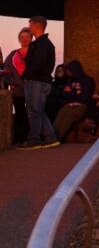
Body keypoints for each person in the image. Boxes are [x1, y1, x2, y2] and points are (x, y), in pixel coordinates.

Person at [18, 16, 59, 149]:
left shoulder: (41, 44)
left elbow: (37, 64)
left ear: (37, 26)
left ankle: (34, 140)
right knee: (39, 111)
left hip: (36, 82)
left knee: (33, 111)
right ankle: (50, 138)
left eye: (30, 26)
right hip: (43, 82)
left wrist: (25, 76)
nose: (29, 29)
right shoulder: (47, 44)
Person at [53, 61, 96, 141]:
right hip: (70, 103)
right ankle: (52, 135)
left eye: (69, 70)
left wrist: (72, 93)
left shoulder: (88, 80)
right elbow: (65, 94)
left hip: (83, 105)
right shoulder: (70, 80)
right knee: (62, 112)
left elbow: (86, 95)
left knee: (70, 115)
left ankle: (59, 137)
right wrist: (75, 93)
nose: (68, 72)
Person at [2, 27, 32, 143]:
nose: (24, 39)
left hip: (32, 89)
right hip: (18, 90)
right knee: (19, 114)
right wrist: (13, 82)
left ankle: (32, 138)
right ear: (19, 39)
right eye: (22, 37)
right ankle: (19, 139)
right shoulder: (13, 54)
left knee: (33, 114)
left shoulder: (35, 54)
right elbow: (6, 71)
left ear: (31, 38)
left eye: (27, 37)